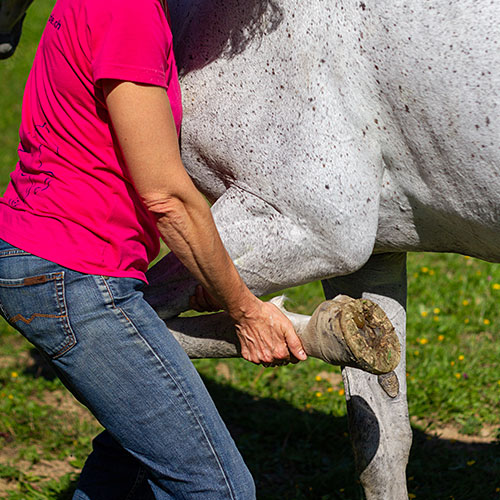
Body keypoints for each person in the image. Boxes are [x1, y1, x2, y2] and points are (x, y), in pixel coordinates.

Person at [0, 0, 307, 497]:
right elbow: (166, 195)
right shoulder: (129, 11)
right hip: (74, 274)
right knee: (217, 489)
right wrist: (245, 310)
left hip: (49, 258)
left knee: (126, 472)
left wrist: (212, 276)